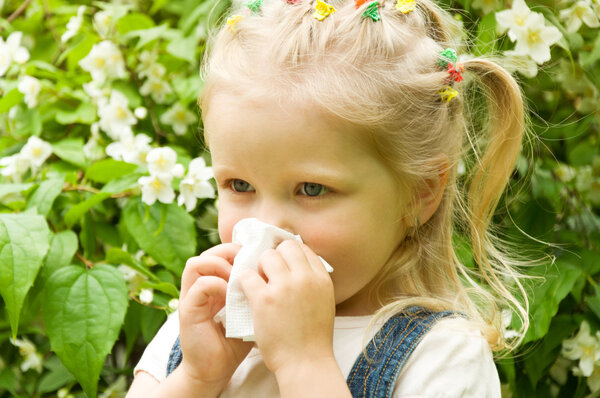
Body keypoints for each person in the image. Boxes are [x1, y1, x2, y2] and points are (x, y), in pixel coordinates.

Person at [126, 0, 530, 395]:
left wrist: (305, 365)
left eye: (312, 189)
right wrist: (198, 378)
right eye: (240, 186)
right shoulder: (197, 334)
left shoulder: (442, 358)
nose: (267, 226)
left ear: (420, 193)